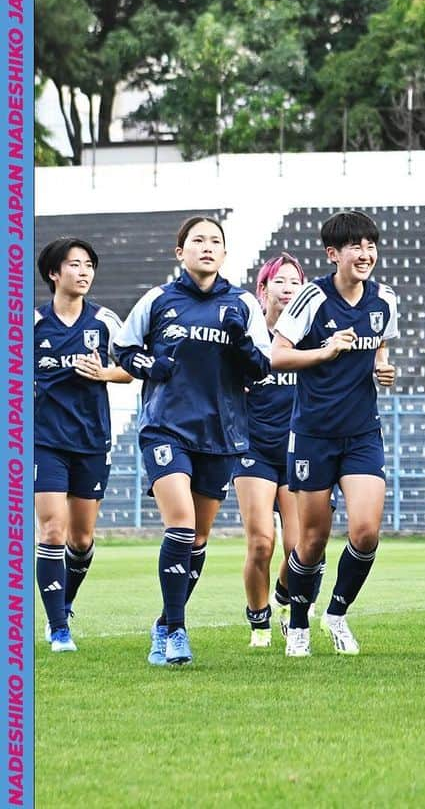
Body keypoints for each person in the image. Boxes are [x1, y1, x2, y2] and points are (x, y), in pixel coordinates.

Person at [116, 216, 272, 666]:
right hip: (166, 428)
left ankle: (164, 621)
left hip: (220, 434)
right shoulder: (159, 300)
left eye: (215, 241)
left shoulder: (242, 304)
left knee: (199, 537)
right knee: (181, 525)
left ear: (225, 254)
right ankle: (178, 632)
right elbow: (123, 349)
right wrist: (150, 365)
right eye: (197, 240)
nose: (207, 247)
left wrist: (241, 344)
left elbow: (261, 368)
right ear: (179, 252)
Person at [271, 210, 398, 658]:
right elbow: (277, 356)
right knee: (311, 540)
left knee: (365, 533)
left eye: (370, 245)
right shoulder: (311, 298)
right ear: (333, 254)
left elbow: (380, 344)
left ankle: (337, 614)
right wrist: (325, 352)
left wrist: (382, 368)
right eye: (355, 247)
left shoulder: (385, 299)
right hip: (313, 435)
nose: (366, 255)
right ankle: (298, 621)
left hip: (363, 432)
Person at [33, 238, 131, 652]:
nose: (84, 272)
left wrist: (104, 373)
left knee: (82, 540)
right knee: (52, 529)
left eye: (89, 265)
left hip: (91, 441)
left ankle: (64, 601)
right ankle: (58, 629)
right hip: (44, 441)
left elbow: (131, 368)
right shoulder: (32, 323)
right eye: (75, 265)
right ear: (55, 273)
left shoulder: (105, 321)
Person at [235, 253, 307, 648]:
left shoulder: (308, 336)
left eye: (294, 282)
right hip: (254, 449)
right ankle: (259, 622)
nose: (287, 288)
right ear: (262, 290)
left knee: (299, 548)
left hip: (297, 452)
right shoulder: (247, 337)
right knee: (262, 541)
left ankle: (282, 598)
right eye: (279, 281)